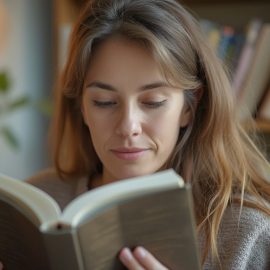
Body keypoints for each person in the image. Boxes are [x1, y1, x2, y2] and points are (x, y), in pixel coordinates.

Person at [2, 0, 269, 269]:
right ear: (81, 107)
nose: (129, 127)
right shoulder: (39, 205)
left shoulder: (247, 231)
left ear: (189, 106)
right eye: (104, 102)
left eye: (153, 101)